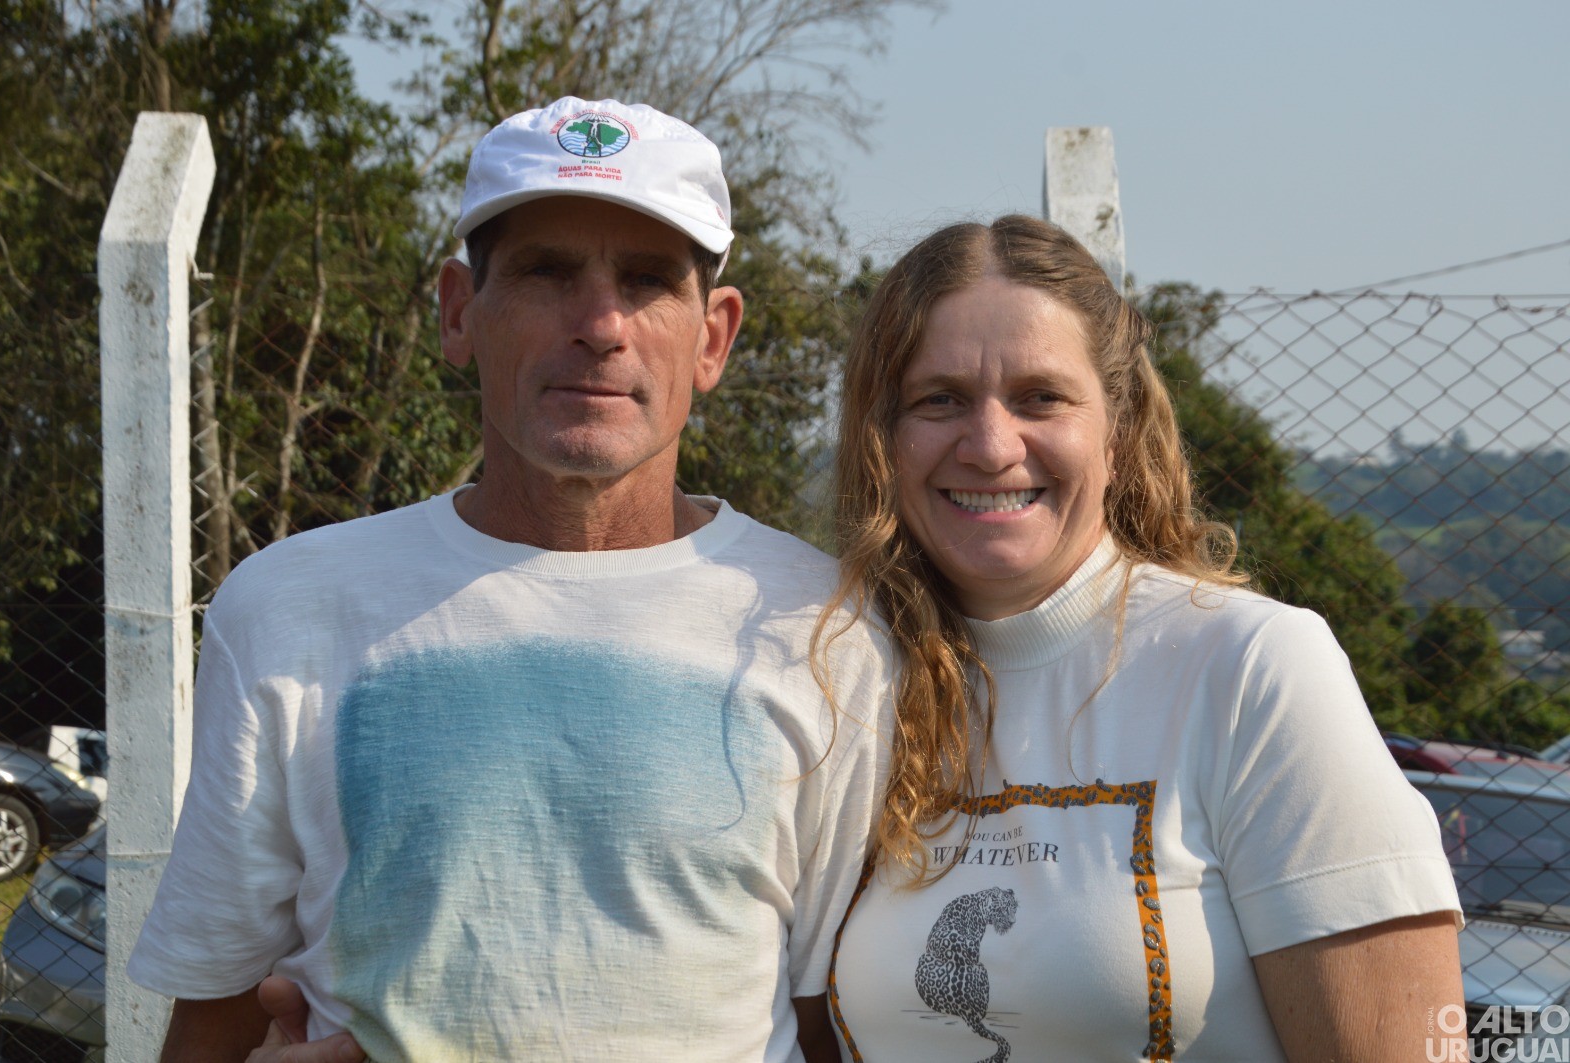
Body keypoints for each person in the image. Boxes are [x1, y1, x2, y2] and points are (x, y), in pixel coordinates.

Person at [125, 96, 890, 1063]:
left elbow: (830, 1022)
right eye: (545, 272)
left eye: (649, 280)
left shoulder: (823, 626)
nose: (601, 323)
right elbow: (217, 1008)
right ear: (458, 312)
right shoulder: (291, 606)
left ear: (713, 339)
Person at [815, 215, 1465, 1061]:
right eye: (939, 399)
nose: (989, 445)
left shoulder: (1251, 668)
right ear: (884, 438)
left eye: (1041, 396)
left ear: (1116, 432)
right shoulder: (837, 679)